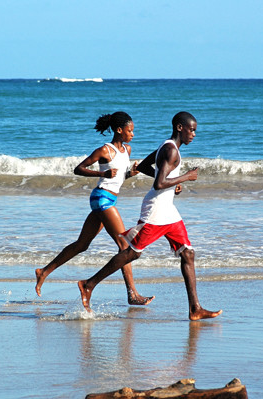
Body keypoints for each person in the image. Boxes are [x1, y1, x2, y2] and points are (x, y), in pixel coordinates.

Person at [78, 111, 222, 320]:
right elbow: (159, 183)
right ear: (180, 128)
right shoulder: (171, 150)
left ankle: (195, 309)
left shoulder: (167, 147)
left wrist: (174, 180)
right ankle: (88, 285)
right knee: (133, 252)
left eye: (195, 131)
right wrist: (186, 176)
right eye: (191, 130)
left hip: (168, 210)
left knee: (187, 253)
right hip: (156, 209)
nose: (194, 134)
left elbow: (146, 167)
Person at [35, 111, 154, 306]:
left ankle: (43, 272)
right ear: (119, 130)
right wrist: (102, 173)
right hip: (101, 198)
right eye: (130, 130)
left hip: (109, 199)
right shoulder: (104, 151)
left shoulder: (128, 150)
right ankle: (132, 294)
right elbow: (78, 169)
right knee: (125, 246)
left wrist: (130, 173)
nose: (133, 134)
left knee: (82, 245)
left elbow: (119, 177)